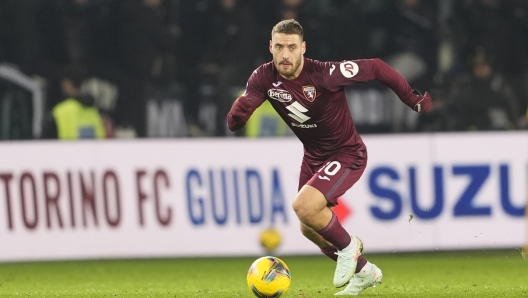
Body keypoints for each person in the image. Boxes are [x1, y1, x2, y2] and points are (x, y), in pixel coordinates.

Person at [226, 19, 432, 296]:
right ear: (270, 47)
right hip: (314, 157)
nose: (285, 54)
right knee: (308, 227)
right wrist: (239, 112)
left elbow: (376, 67)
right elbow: (236, 121)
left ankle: (349, 246)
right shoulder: (263, 77)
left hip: (347, 153)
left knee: (304, 206)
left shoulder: (325, 73)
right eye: (279, 47)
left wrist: (411, 98)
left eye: (291, 47)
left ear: (303, 48)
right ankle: (364, 271)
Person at [41, 66, 106, 140]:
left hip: (65, 151)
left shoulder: (60, 111)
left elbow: (45, 144)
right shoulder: (95, 112)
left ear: (67, 83)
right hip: (91, 151)